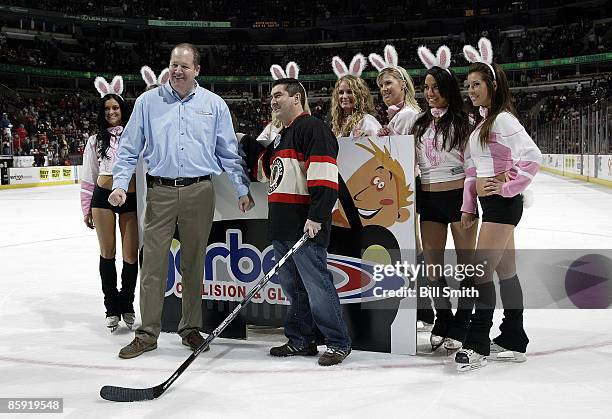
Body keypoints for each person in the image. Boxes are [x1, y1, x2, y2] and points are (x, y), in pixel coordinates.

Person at [108, 43, 254, 359]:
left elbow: (229, 153)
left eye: (184, 66)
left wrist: (242, 191)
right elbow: (130, 149)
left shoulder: (214, 105)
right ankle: (147, 334)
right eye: (173, 65)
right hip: (159, 192)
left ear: (196, 70)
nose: (177, 71)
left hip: (199, 192)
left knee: (193, 263)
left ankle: (190, 329)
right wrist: (120, 184)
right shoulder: (148, 102)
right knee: (152, 265)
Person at [242, 77, 352, 366]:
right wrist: (245, 143)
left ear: (296, 98)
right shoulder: (282, 135)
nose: (273, 101)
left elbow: (326, 177)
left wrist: (316, 216)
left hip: (304, 225)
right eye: (271, 97)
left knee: (317, 286)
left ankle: (338, 342)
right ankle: (300, 339)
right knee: (295, 289)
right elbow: (268, 172)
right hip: (282, 226)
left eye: (278, 95)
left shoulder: (313, 128)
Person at [456, 38, 542, 371]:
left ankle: (477, 343)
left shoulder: (503, 120)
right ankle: (513, 338)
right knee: (506, 274)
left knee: (480, 271)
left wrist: (509, 188)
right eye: (468, 85)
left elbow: (533, 157)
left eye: (476, 84)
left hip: (503, 206)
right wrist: (468, 206)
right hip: (491, 207)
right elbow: (473, 171)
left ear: (492, 85)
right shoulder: (483, 122)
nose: (471, 90)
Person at [412, 45, 478, 351]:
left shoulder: (464, 123)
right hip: (429, 201)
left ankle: (463, 321)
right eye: (426, 88)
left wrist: (468, 204)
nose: (430, 93)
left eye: (436, 87)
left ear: (448, 88)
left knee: (467, 266)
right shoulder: (419, 124)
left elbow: (472, 167)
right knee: (433, 266)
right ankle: (443, 317)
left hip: (459, 198)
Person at [80, 76, 138, 333]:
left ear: (122, 109)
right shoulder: (95, 141)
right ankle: (111, 307)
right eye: (107, 109)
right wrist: (86, 208)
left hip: (131, 197)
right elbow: (88, 176)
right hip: (102, 198)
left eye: (115, 107)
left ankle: (127, 303)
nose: (111, 112)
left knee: (130, 255)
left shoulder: (135, 136)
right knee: (108, 253)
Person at [330, 54, 381, 138]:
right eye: (341, 92)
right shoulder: (338, 124)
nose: (344, 96)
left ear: (360, 95)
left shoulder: (367, 121)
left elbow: (379, 148)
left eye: (350, 92)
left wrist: (366, 139)